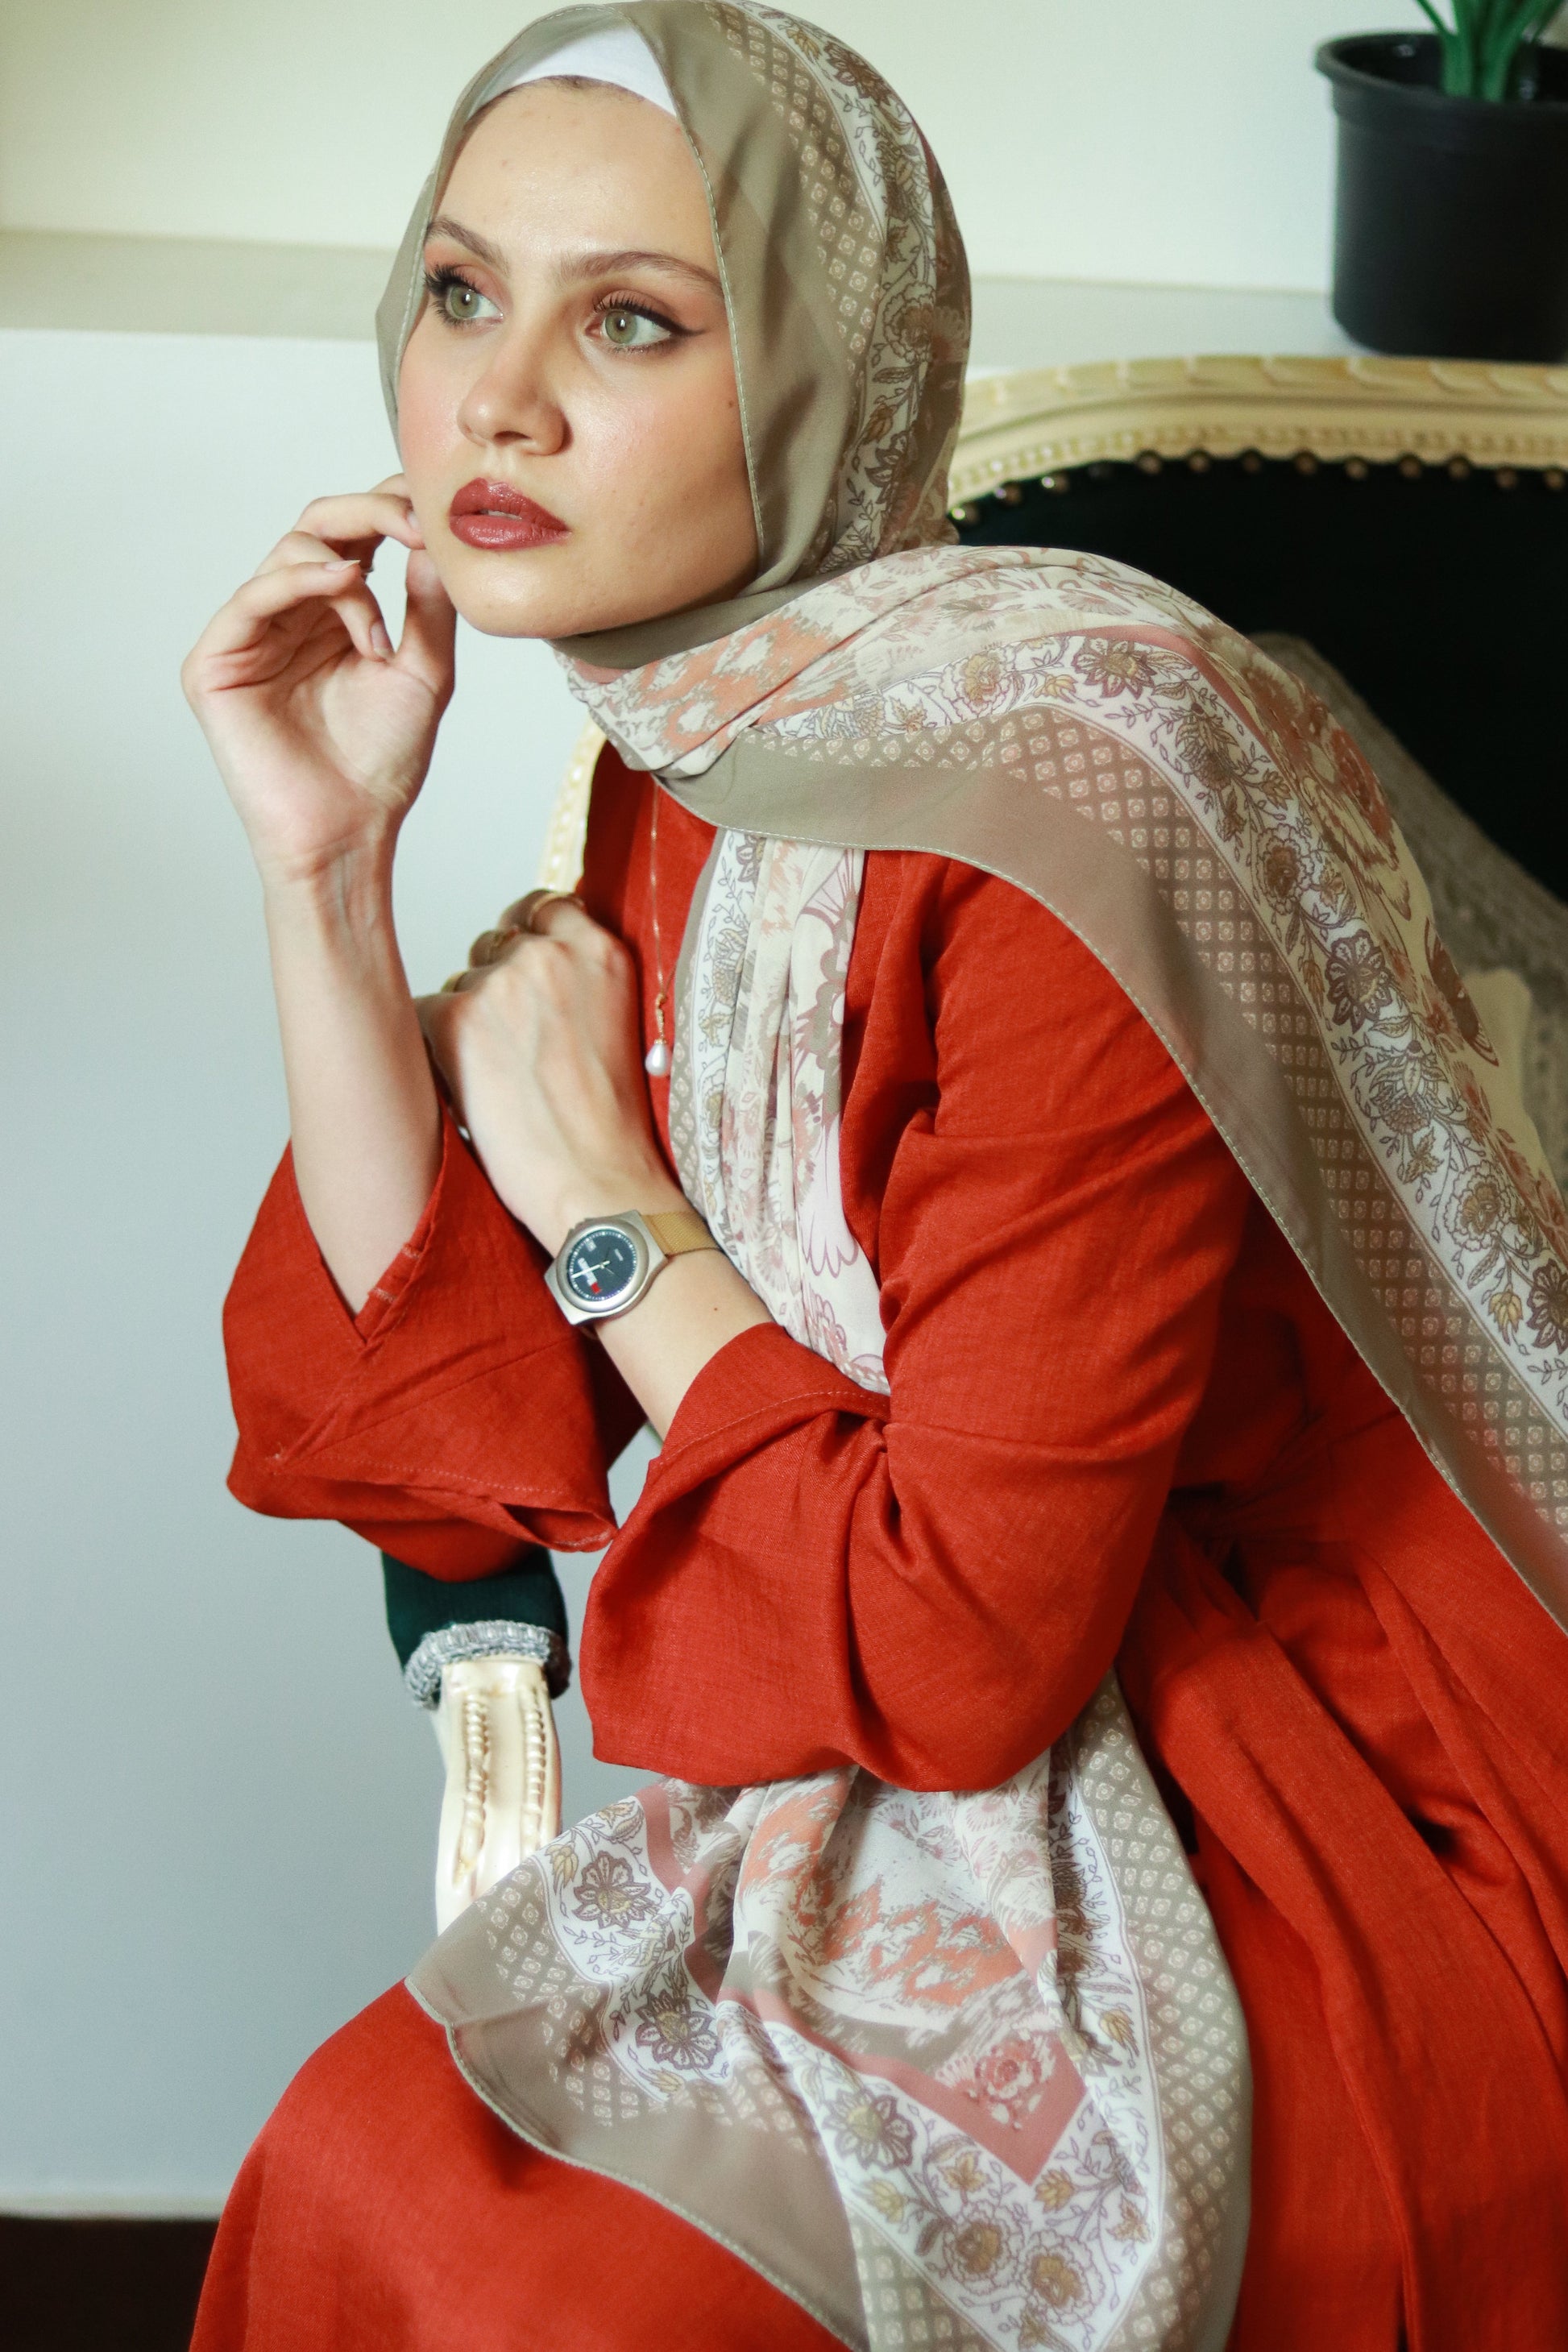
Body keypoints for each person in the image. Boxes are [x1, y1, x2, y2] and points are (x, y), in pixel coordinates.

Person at [181, 7, 1568, 2349]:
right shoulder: (713, 739)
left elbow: (957, 1640)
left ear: (831, 373)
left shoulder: (1067, 795)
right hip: (946, 1695)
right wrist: (323, 869)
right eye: (459, 290)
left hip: (1341, 1793)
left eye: (632, 320)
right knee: (372, 2166)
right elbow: (447, 1410)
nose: (495, 402)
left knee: (553, 2288)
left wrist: (609, 1196)